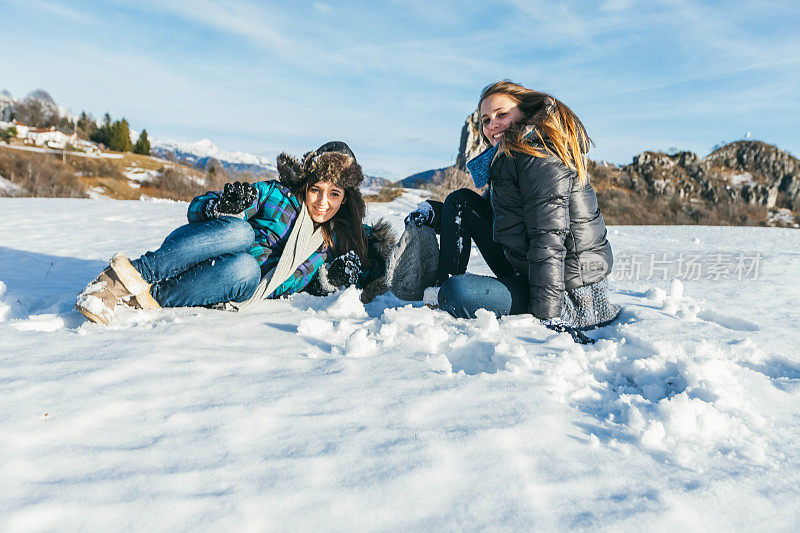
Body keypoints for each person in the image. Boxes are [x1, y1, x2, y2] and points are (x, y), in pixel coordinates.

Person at [75, 141, 395, 325]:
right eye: (316, 190)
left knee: (247, 269)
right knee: (240, 232)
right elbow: (196, 208)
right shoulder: (276, 195)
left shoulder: (339, 237)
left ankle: (151, 297)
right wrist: (223, 206)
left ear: (347, 196)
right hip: (196, 254)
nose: (323, 203)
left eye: (335, 194)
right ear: (305, 184)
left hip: (230, 284)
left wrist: (336, 277)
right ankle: (116, 281)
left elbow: (378, 264)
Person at [403, 81, 619, 343]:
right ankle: (439, 292)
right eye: (485, 120)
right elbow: (484, 212)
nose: (491, 125)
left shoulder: (540, 158)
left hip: (566, 291)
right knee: (459, 200)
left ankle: (446, 293)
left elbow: (549, 240)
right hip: (529, 269)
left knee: (457, 292)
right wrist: (436, 214)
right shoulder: (510, 156)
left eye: (501, 115)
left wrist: (547, 317)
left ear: (524, 113)